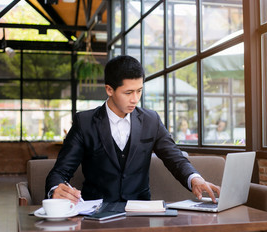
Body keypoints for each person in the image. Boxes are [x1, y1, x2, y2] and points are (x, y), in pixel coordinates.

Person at [45, 55, 220, 204]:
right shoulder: (84, 122)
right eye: (128, 93)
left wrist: (194, 179)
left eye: (139, 91)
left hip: (140, 213)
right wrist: (55, 189)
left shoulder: (151, 120)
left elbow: (175, 158)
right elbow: (60, 171)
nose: (135, 99)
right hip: (96, 213)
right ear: (109, 90)